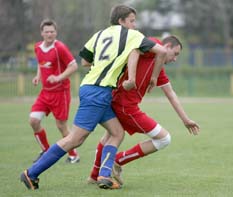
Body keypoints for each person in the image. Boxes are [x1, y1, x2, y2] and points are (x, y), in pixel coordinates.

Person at [20, 4, 167, 190]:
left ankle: (104, 176)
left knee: (117, 133)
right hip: (98, 91)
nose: (134, 25)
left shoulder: (99, 34)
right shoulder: (133, 36)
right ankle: (31, 173)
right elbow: (162, 52)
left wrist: (105, 64)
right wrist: (154, 76)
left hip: (92, 88)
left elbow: (84, 61)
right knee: (74, 139)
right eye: (131, 21)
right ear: (121, 21)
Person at [87, 35, 200, 186]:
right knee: (164, 139)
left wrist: (185, 119)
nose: (175, 59)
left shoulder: (158, 69)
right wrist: (131, 79)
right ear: (166, 46)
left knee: (109, 136)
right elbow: (134, 50)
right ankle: (118, 160)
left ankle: (94, 176)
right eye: (175, 54)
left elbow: (171, 94)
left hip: (118, 102)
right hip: (125, 106)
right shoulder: (154, 44)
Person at [29, 19, 80, 164]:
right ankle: (45, 150)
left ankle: (74, 155)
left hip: (61, 92)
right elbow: (41, 63)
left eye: (52, 31)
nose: (50, 34)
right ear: (42, 33)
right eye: (47, 32)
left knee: (61, 126)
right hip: (45, 92)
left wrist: (58, 77)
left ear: (56, 32)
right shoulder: (38, 47)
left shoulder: (60, 48)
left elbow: (73, 66)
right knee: (33, 121)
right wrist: (38, 77)